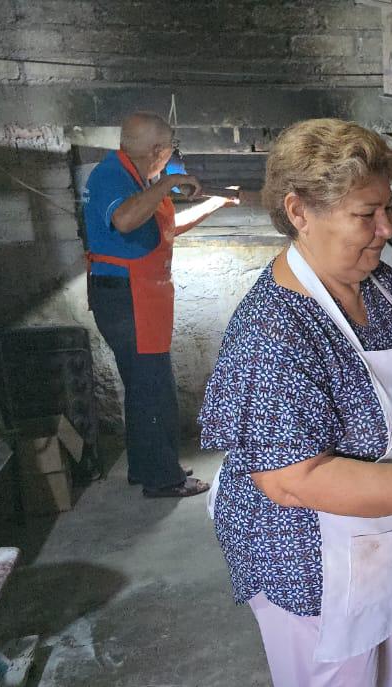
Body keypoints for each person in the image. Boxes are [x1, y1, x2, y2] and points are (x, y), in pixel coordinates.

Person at [198, 118, 392, 687]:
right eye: (367, 215)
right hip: (313, 565)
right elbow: (293, 479)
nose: (387, 229)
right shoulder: (275, 331)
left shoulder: (378, 282)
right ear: (299, 210)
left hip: (383, 540)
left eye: (387, 209)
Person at [83, 111, 231, 498]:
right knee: (152, 388)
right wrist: (169, 182)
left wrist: (214, 204)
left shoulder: (136, 177)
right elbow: (128, 220)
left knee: (146, 385)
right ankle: (162, 479)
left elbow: (164, 226)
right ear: (158, 150)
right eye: (170, 151)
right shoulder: (110, 176)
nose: (171, 157)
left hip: (140, 297)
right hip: (126, 298)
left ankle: (147, 466)